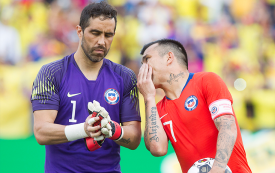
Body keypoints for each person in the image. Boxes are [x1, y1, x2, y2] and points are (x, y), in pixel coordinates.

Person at [31, 2, 141, 172]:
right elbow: (41, 131)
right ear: (79, 31)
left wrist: (112, 129)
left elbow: (134, 139)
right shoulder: (51, 73)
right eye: (95, 33)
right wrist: (84, 129)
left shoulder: (125, 77)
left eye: (108, 35)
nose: (102, 41)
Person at [137, 38, 251, 173]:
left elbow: (227, 127)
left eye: (147, 59)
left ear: (169, 58)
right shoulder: (158, 108)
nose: (143, 68)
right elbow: (158, 149)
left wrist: (218, 169)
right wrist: (149, 97)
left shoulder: (207, 81)